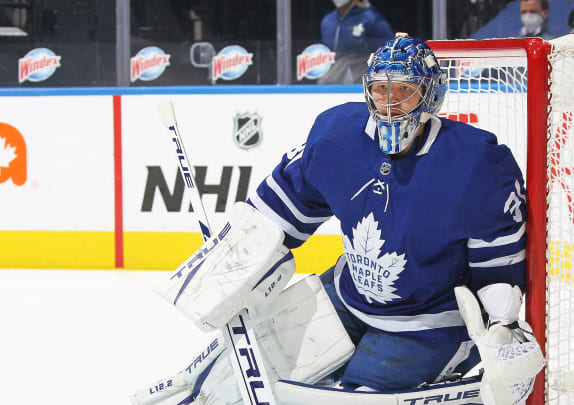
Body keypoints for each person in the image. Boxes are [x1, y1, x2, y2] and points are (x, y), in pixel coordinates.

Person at [132, 33, 543, 405]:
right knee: (226, 384)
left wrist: (502, 331)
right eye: (381, 90)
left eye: (405, 91)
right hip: (346, 296)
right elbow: (277, 215)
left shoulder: (477, 167)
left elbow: (497, 274)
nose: (391, 103)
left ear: (431, 95)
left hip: (425, 328)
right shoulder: (338, 135)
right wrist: (234, 269)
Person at [318, 0, 393, 84]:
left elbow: (389, 51)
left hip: (361, 83)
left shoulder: (372, 18)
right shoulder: (328, 20)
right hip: (332, 81)